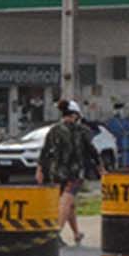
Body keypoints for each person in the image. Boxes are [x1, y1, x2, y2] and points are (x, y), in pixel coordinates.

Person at [38, 98, 95, 245]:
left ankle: (77, 234)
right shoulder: (81, 130)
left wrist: (40, 170)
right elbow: (92, 150)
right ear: (75, 115)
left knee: (69, 203)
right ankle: (55, 235)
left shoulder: (54, 130)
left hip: (56, 172)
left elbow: (45, 151)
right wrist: (101, 167)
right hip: (75, 173)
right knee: (65, 202)